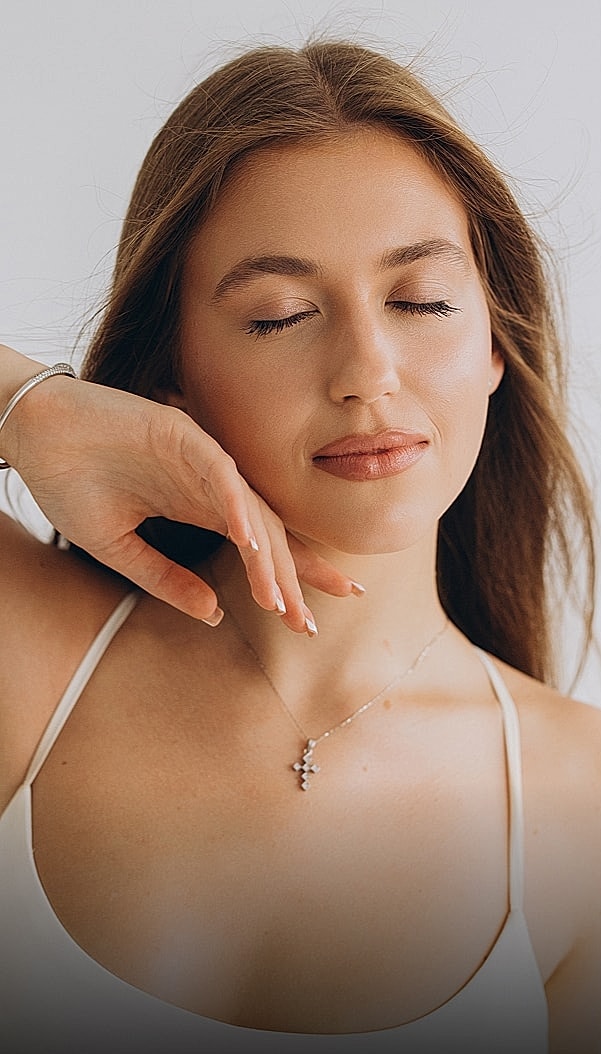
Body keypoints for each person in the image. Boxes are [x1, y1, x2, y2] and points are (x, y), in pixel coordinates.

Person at [0, 37, 599, 1054]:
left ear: (494, 344)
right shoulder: (26, 657)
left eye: (420, 301)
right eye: (280, 316)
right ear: (173, 373)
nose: (368, 370)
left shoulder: (580, 803)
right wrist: (31, 407)